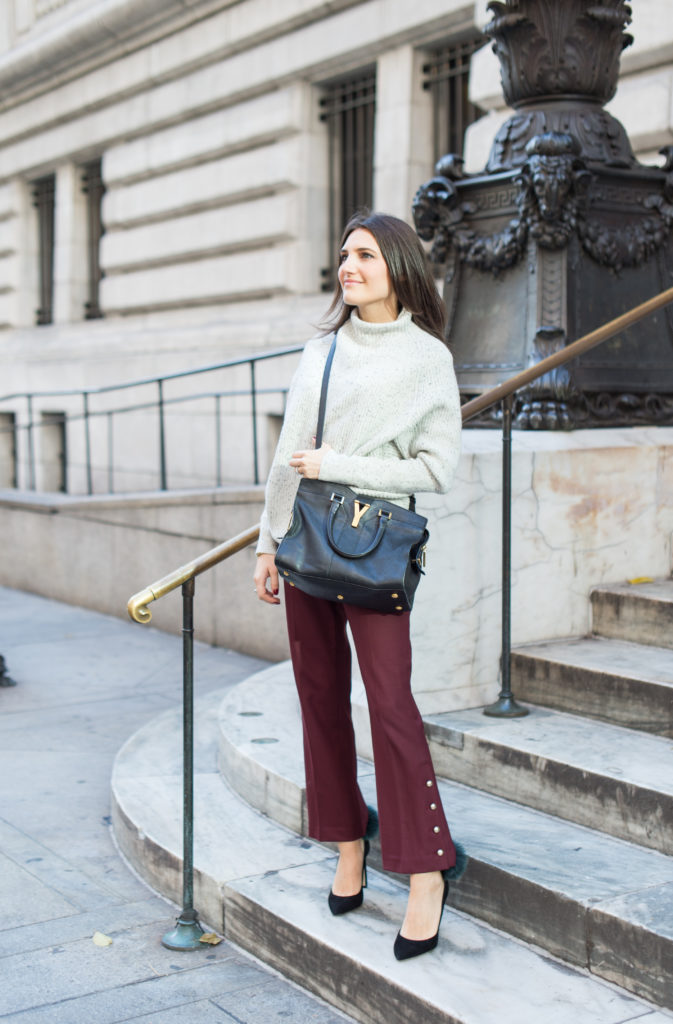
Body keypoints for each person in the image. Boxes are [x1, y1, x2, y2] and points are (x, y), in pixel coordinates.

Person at [253, 210, 463, 961]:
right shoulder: (322, 350)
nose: (348, 266)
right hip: (305, 546)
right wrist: (265, 542)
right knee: (317, 702)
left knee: (391, 707)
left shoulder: (424, 358)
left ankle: (425, 868)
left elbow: (437, 469)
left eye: (365, 255)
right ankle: (348, 847)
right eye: (343, 254)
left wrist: (343, 466)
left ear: (397, 267)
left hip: (374, 551)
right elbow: (288, 453)